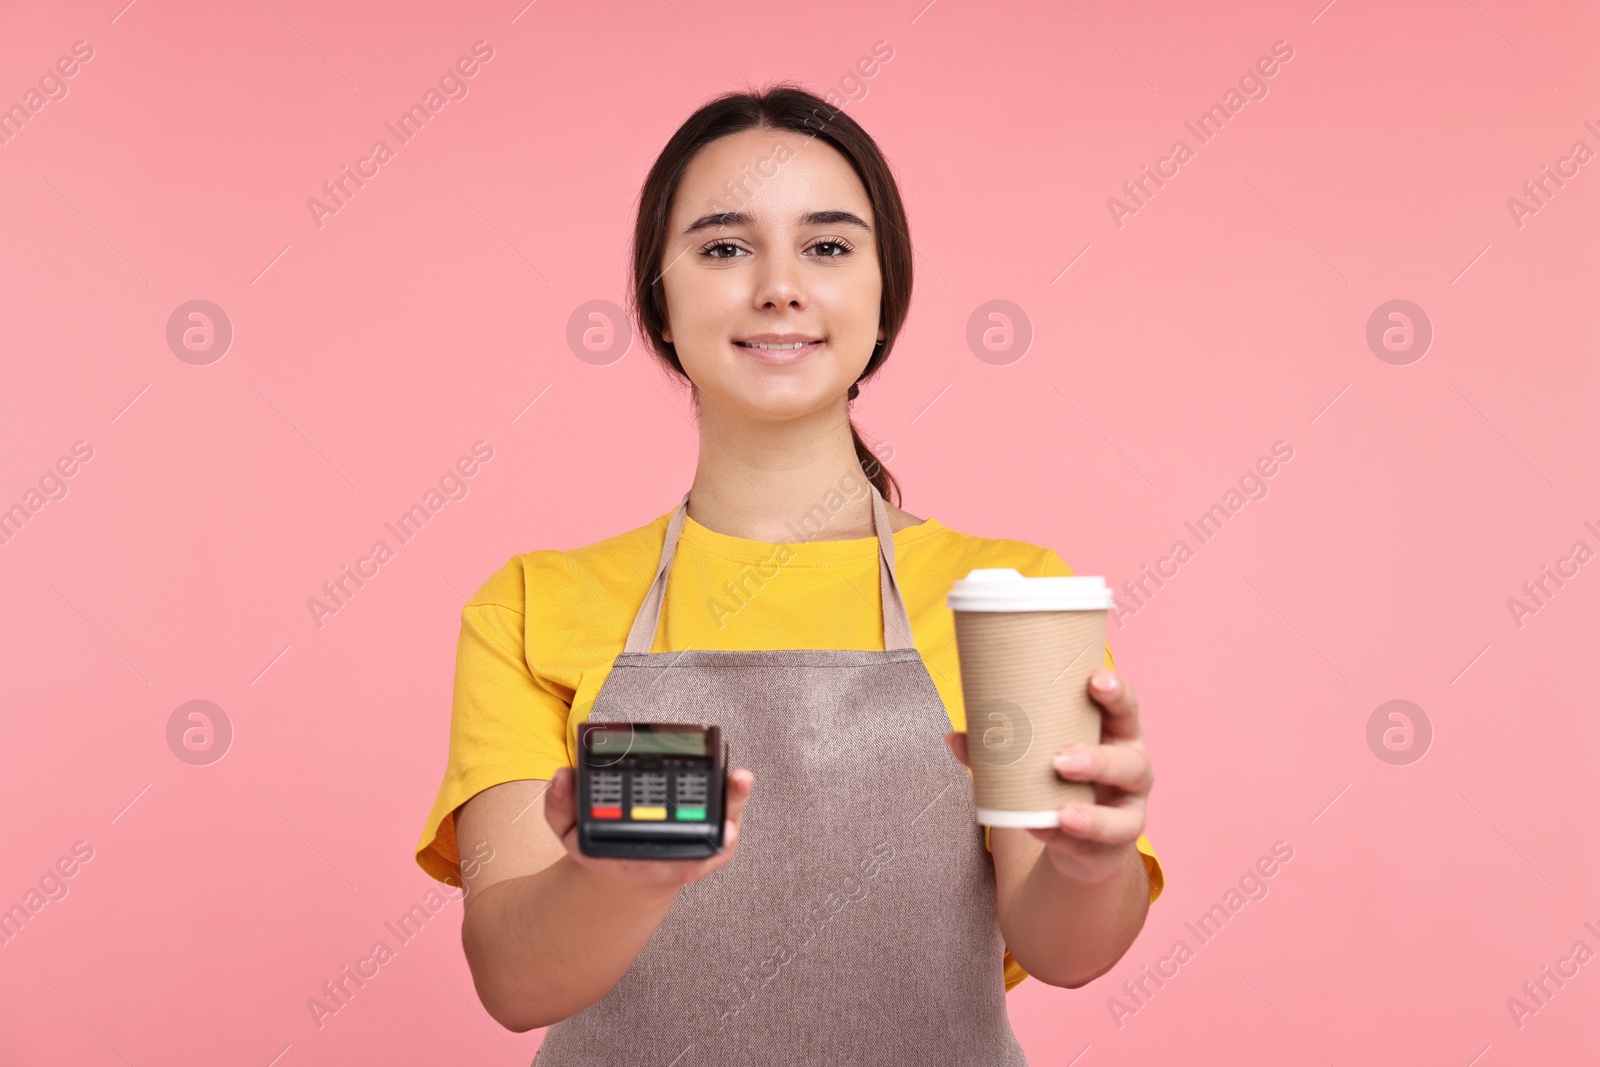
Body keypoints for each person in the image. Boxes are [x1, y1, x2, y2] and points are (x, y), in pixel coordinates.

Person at [414, 84, 1164, 1064]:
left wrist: (1090, 858)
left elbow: (1064, 949)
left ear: (884, 293)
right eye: (724, 247)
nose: (779, 286)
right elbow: (515, 980)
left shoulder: (1007, 596)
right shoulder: (532, 604)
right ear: (659, 301)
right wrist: (617, 878)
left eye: (827, 246)